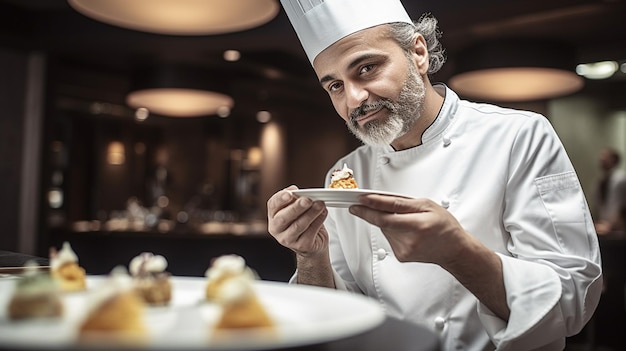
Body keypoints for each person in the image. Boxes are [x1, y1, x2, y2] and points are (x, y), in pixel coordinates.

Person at [266, 0, 603, 349]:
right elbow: (335, 317)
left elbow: (572, 301)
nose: (354, 99)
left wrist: (457, 251)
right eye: (335, 86)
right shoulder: (345, 174)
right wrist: (310, 255)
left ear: (418, 53)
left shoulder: (519, 136)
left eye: (366, 68)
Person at [594, 147, 626, 235]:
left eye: (605, 156)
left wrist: (612, 226)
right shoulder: (601, 181)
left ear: (614, 160)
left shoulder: (621, 179)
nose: (601, 159)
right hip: (604, 227)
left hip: (619, 229)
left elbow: (623, 206)